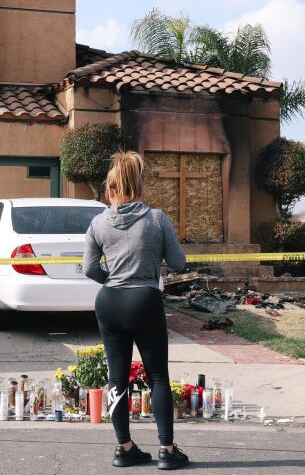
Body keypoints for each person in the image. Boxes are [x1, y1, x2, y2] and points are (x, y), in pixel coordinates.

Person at [83, 151, 189, 470]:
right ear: (140, 185)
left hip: (109, 300)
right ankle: (167, 451)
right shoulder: (156, 219)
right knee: (157, 375)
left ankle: (124, 447)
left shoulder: (98, 222)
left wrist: (113, 279)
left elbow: (88, 268)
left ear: (112, 188)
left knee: (117, 377)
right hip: (144, 299)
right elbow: (179, 263)